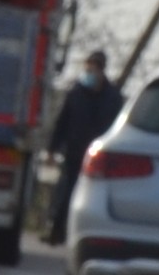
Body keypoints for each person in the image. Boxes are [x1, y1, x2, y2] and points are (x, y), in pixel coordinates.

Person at [42, 46, 121, 244]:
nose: (88, 74)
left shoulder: (113, 99)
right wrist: (52, 148)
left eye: (92, 70)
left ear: (101, 71)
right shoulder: (76, 94)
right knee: (65, 193)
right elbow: (62, 122)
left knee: (93, 198)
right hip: (74, 153)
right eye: (87, 69)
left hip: (100, 159)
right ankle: (56, 231)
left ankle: (85, 235)